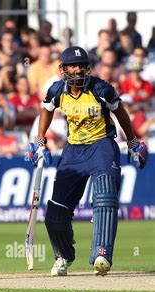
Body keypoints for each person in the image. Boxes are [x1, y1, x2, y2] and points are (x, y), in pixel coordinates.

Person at [26, 46, 148, 277]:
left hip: (102, 146)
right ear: (63, 69)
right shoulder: (57, 90)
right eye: (74, 66)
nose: (79, 70)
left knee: (104, 197)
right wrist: (39, 141)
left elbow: (120, 112)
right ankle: (63, 255)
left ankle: (101, 255)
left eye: (82, 66)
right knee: (56, 212)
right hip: (73, 151)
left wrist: (133, 142)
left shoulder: (101, 88)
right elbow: (46, 110)